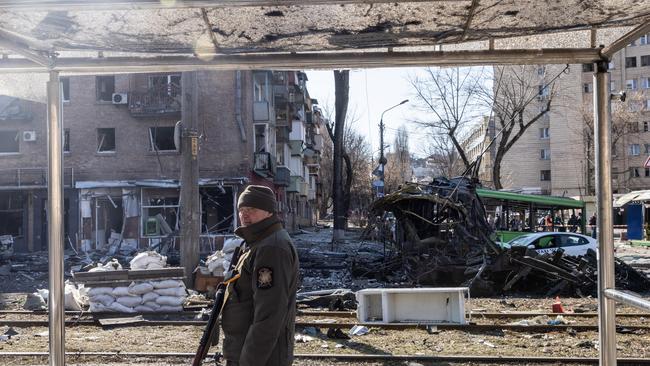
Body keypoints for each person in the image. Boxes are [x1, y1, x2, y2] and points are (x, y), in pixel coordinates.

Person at [221, 185, 299, 366]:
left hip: (261, 357)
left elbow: (269, 314)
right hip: (248, 350)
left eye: (252, 209)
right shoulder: (257, 243)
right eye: (241, 210)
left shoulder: (270, 248)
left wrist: (249, 361)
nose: (245, 215)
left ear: (269, 212)